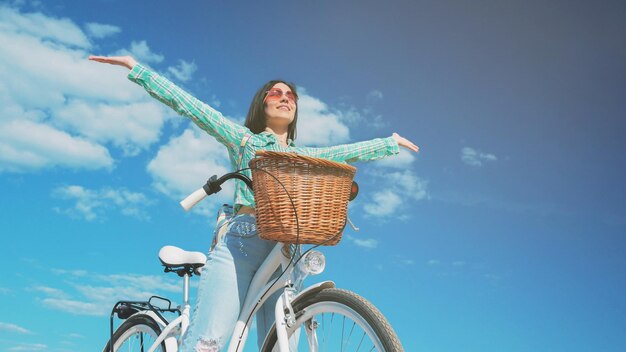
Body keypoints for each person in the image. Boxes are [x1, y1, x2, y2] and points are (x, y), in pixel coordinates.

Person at [89, 55, 419, 352]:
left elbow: (342, 153)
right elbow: (195, 108)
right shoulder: (245, 140)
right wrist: (138, 69)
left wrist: (389, 143)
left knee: (281, 343)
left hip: (285, 252)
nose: (285, 98)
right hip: (242, 244)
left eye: (291, 95)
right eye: (276, 93)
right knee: (209, 343)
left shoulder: (303, 155)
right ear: (262, 103)